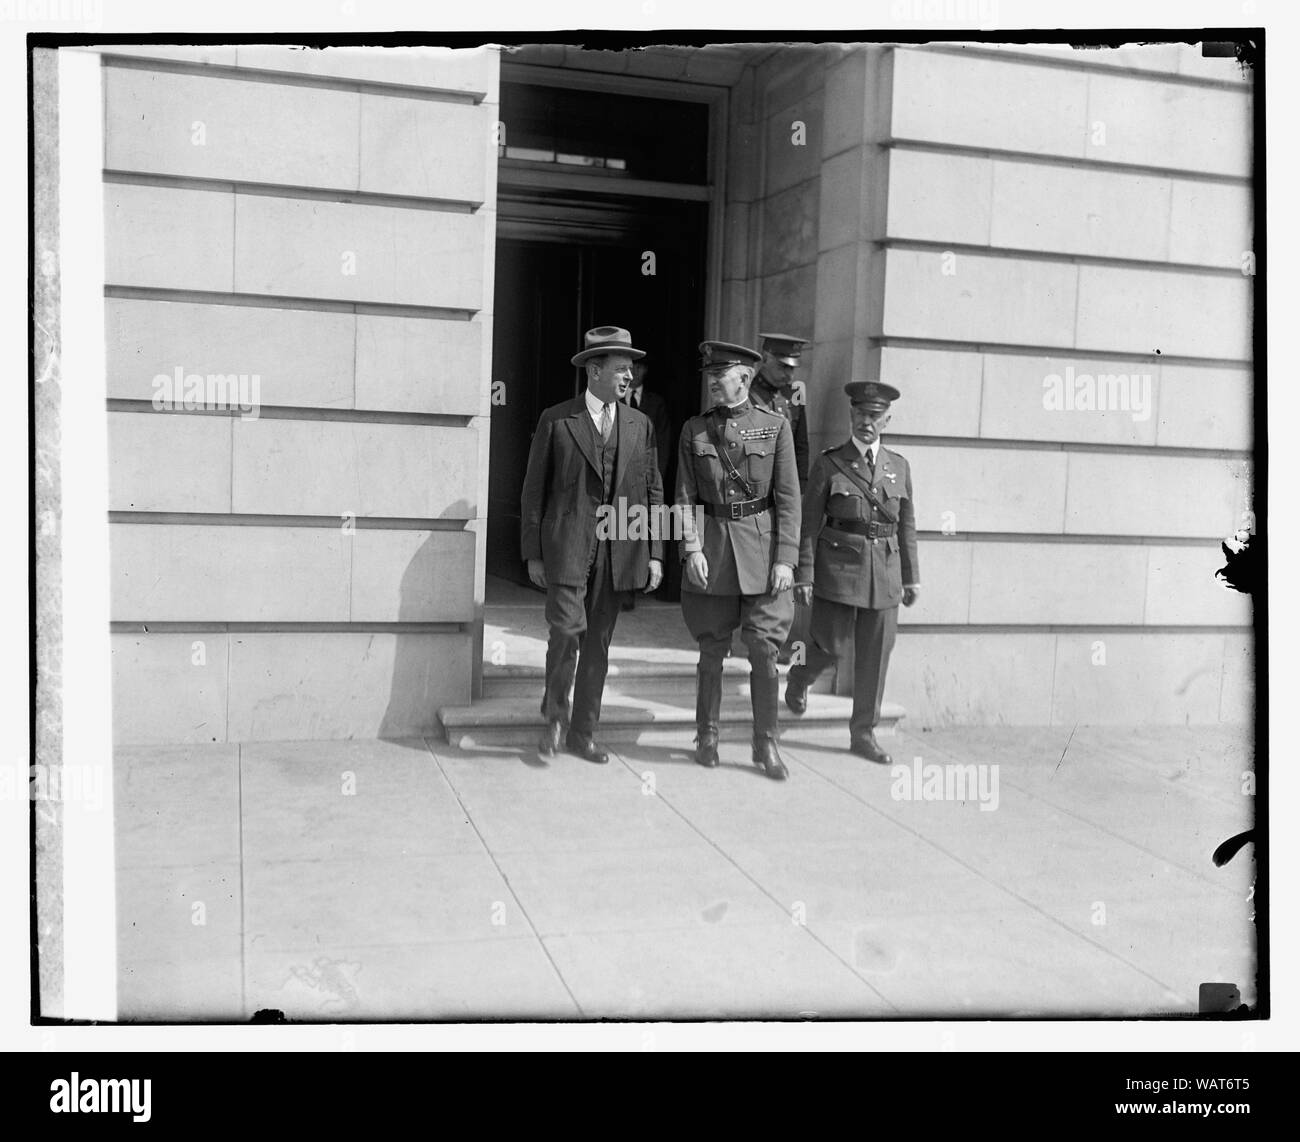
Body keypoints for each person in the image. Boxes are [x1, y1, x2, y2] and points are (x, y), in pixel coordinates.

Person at [519, 326, 665, 763]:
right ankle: (555, 720)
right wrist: (532, 552)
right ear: (594, 371)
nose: (629, 377)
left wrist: (655, 553)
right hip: (567, 547)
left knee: (598, 643)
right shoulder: (557, 419)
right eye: (621, 369)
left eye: (631, 370)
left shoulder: (641, 424)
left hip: (620, 550)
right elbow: (533, 491)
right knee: (566, 633)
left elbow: (652, 490)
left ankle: (583, 732)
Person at [675, 341, 801, 780]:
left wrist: (786, 559)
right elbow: (685, 496)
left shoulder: (774, 427)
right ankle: (707, 734)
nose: (712, 381)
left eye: (720, 374)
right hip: (713, 551)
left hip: (763, 556)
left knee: (765, 651)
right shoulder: (695, 430)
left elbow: (788, 500)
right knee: (711, 650)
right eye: (710, 374)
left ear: (744, 378)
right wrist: (691, 548)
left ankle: (765, 743)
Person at [784, 381, 920, 764]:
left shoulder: (899, 467)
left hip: (887, 573)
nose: (867, 422)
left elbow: (906, 525)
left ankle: (863, 733)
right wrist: (804, 576)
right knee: (831, 646)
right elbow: (809, 524)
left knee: (876, 656)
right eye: (860, 414)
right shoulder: (830, 463)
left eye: (875, 416)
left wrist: (911, 576)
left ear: (887, 420)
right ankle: (800, 677)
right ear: (851, 416)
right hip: (839, 569)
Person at [620, 359, 673, 609]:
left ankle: (640, 583)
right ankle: (625, 592)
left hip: (646, 481)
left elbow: (662, 442)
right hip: (619, 481)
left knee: (641, 535)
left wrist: (654, 478)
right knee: (620, 533)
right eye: (632, 367)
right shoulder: (615, 399)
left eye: (640, 367)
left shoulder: (655, 402)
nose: (635, 373)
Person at [750, 333, 811, 487]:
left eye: (792, 368)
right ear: (765, 358)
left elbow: (801, 447)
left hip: (785, 489)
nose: (789, 376)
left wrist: (801, 488)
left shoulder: (795, 395)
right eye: (783, 366)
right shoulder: (745, 394)